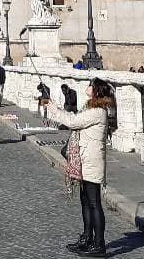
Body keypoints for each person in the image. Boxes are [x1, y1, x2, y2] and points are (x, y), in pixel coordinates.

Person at [47, 78, 116, 258]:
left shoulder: (97, 112)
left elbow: (74, 122)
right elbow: (75, 119)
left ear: (96, 91)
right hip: (84, 161)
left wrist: (56, 112)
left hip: (91, 162)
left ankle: (99, 245)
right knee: (85, 201)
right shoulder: (90, 108)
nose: (87, 86)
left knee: (94, 203)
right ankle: (87, 238)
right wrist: (58, 110)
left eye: (90, 85)